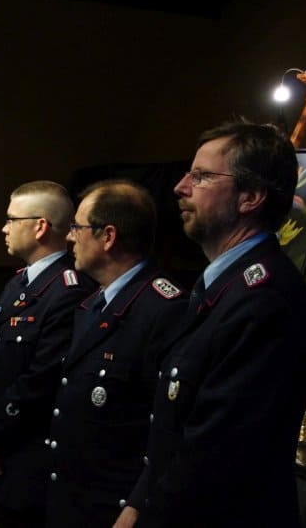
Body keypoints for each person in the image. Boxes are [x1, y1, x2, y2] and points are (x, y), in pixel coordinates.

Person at [133, 120, 306, 527]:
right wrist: (136, 503)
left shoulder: (264, 299)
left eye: (201, 176)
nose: (180, 187)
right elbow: (173, 430)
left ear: (250, 196)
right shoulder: (225, 285)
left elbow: (212, 457)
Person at [45, 179, 187, 528]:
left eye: (77, 227)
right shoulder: (94, 303)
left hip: (114, 507)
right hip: (73, 498)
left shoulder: (163, 309)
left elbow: (168, 423)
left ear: (108, 236)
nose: (69, 237)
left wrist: (139, 502)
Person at [0, 181, 97, 527]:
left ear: (40, 227)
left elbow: (40, 381)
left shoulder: (69, 291)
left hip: (30, 458)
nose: (4, 228)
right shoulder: (19, 282)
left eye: (11, 219)